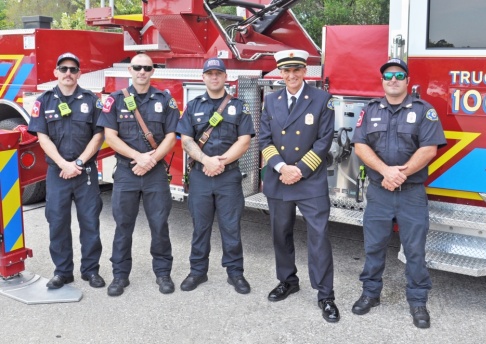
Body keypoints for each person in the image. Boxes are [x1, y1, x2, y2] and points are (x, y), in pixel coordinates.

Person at [351, 58, 447, 329]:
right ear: (382, 81)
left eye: (398, 75)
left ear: (407, 81)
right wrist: (385, 172)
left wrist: (399, 174)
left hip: (412, 193)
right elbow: (360, 145)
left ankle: (418, 301)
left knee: (415, 249)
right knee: (374, 246)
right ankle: (371, 294)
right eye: (388, 75)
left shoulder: (424, 110)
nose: (393, 79)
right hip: (379, 193)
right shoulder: (369, 110)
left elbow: (429, 149)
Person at [259, 50, 339, 322]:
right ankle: (288, 281)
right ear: (279, 73)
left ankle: (325, 294)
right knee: (280, 234)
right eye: (285, 71)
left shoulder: (322, 99)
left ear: (306, 71)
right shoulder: (270, 100)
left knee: (319, 238)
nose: (291, 76)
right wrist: (282, 168)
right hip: (279, 179)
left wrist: (299, 170)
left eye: (296, 70)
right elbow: (264, 140)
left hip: (310, 180)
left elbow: (323, 141)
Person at [97, 53, 179, 296]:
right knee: (123, 225)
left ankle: (163, 274)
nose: (142, 71)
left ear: (153, 71)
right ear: (130, 71)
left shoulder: (164, 100)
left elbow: (171, 137)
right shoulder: (115, 100)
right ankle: (120, 276)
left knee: (159, 225)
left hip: (154, 173)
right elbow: (110, 137)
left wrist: (150, 160)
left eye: (147, 68)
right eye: (137, 67)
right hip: (126, 172)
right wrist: (138, 157)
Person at [176, 57, 255, 294]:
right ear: (203, 77)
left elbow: (245, 141)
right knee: (200, 227)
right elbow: (186, 140)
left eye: (218, 73)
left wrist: (221, 162)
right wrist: (205, 161)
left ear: (225, 77)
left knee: (231, 227)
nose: (214, 77)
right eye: (209, 73)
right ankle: (197, 272)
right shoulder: (193, 106)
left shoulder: (239, 106)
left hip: (228, 176)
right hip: (200, 176)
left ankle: (235, 274)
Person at [28, 52, 105, 289]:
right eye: (64, 69)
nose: (68, 73)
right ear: (56, 73)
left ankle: (90, 271)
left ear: (79, 73)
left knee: (90, 222)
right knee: (58, 222)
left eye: (73, 69)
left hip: (86, 172)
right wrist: (63, 164)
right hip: (57, 173)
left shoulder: (92, 100)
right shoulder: (44, 101)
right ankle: (63, 272)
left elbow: (99, 135)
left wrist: (79, 163)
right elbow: (42, 137)